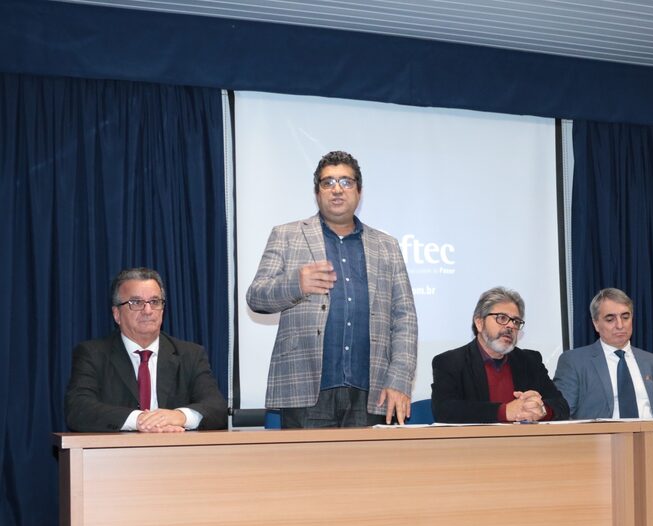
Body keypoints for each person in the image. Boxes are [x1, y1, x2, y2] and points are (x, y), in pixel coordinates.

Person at [246, 150, 417, 427]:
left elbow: (405, 317)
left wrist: (399, 379)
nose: (337, 189)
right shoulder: (287, 235)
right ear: (317, 192)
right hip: (305, 390)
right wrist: (296, 284)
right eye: (328, 182)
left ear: (359, 192)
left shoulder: (387, 246)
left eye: (346, 182)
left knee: (368, 472)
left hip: (372, 392)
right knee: (306, 471)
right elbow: (256, 296)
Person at [65, 268, 227, 432]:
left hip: (176, 453)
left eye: (155, 302)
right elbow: (79, 409)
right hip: (117, 454)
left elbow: (217, 408)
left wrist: (180, 416)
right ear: (116, 314)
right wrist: (139, 420)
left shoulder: (190, 354)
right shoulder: (93, 354)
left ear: (162, 310)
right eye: (136, 302)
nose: (148, 311)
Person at [431, 287, 570, 423]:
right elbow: (444, 410)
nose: (510, 326)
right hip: (476, 444)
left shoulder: (529, 361)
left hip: (524, 443)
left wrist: (541, 410)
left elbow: (562, 406)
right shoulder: (450, 362)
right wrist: (505, 411)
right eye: (502, 318)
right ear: (479, 323)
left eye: (515, 321)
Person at [553, 288, 653, 419]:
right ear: (596, 324)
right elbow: (562, 415)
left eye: (625, 317)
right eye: (610, 319)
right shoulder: (574, 361)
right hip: (599, 438)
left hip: (650, 436)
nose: (620, 325)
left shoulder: (651, 361)